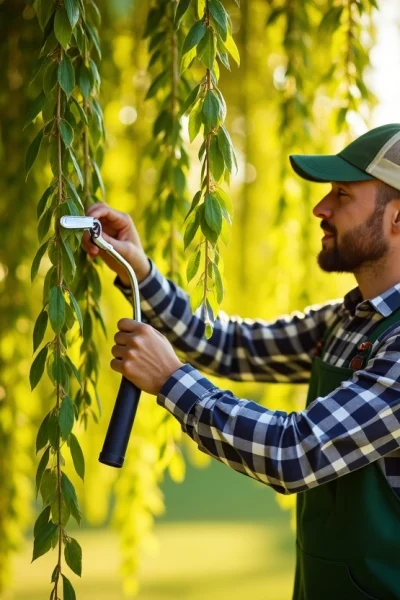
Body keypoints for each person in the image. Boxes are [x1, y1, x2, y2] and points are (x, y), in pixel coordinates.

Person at [82, 123, 400, 600]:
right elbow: (230, 345)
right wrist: (139, 272)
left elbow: (296, 452)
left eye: (342, 195)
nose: (320, 208)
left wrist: (171, 380)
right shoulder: (347, 320)